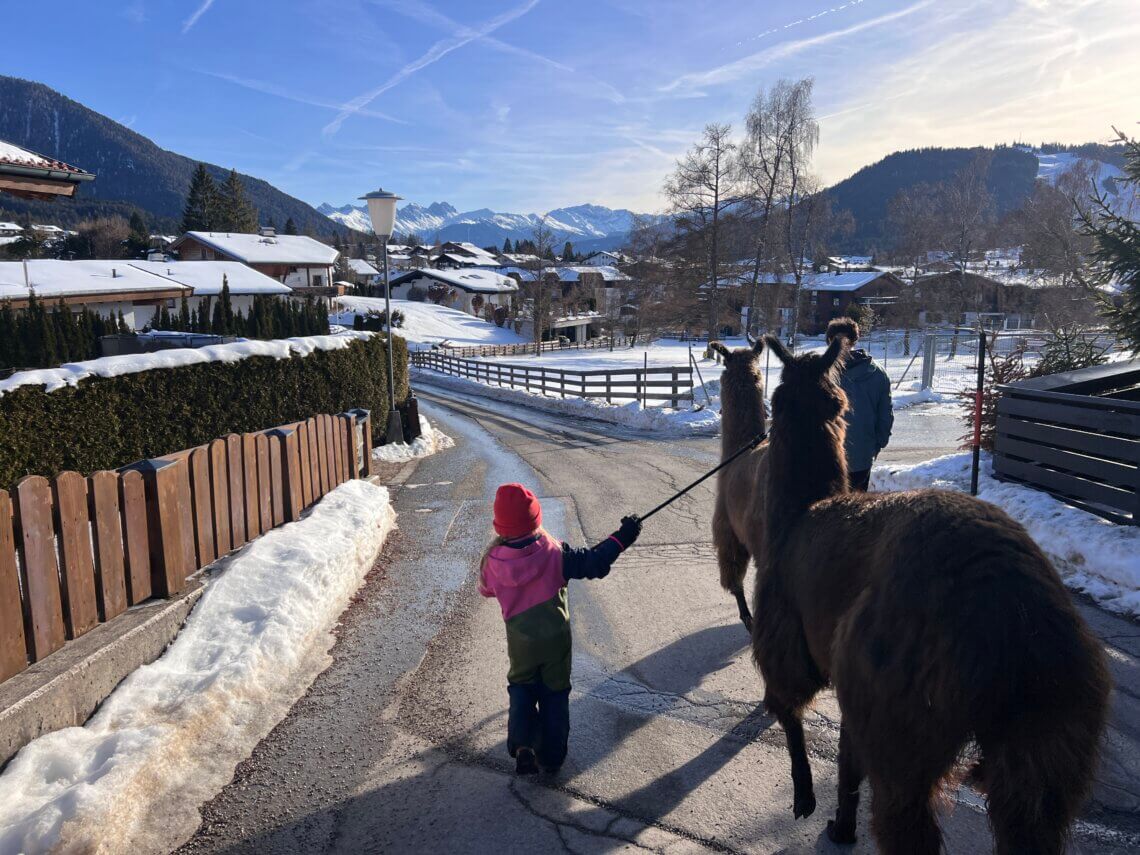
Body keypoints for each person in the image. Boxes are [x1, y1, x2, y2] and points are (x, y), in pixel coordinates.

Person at [479, 483, 641, 775]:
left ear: (500, 526)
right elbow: (595, 563)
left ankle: (523, 745)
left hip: (521, 644)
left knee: (522, 689)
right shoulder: (555, 553)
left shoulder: (493, 562)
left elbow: (487, 590)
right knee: (555, 693)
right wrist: (622, 537)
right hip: (555, 644)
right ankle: (552, 756)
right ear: (536, 520)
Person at [826, 317, 893, 491]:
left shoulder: (823, 374)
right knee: (856, 506)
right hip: (862, 456)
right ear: (855, 340)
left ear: (829, 341)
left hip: (826, 456)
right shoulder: (878, 374)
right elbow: (885, 417)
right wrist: (875, 446)